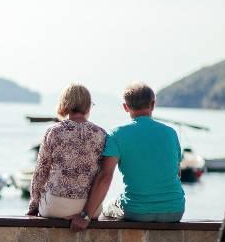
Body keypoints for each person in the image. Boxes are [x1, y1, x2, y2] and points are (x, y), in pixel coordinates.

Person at [70, 82, 184, 231]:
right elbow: (177, 173)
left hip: (136, 211)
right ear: (153, 104)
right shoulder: (171, 133)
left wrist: (85, 216)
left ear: (125, 107)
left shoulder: (117, 135)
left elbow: (105, 177)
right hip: (175, 211)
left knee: (106, 210)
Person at [27, 84, 107, 218]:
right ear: (88, 105)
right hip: (90, 209)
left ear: (64, 103)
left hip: (56, 206)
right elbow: (103, 174)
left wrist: (33, 205)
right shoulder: (101, 134)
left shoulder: (53, 131)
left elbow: (41, 173)